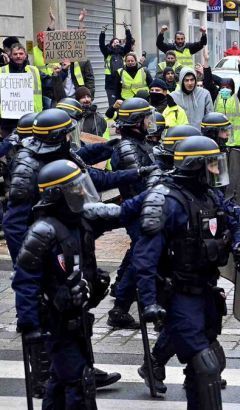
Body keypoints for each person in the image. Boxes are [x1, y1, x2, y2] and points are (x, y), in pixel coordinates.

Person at [5, 108, 146, 397]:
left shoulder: (63, 156)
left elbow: (91, 178)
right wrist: (31, 260)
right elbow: (14, 222)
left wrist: (124, 162)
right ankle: (46, 379)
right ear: (56, 136)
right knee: (47, 316)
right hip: (45, 249)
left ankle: (79, 367)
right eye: (68, 132)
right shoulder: (28, 166)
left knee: (75, 310)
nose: (73, 137)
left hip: (69, 244)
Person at [133, 136, 240, 407]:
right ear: (196, 166)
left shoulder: (209, 195)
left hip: (206, 291)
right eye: (213, 165)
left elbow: (233, 220)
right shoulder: (167, 201)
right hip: (178, 295)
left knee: (210, 365)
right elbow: (144, 258)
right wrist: (148, 302)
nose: (218, 171)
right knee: (204, 364)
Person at [12, 159, 131, 408]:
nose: (81, 193)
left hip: (77, 318)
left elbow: (121, 213)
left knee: (59, 381)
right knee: (79, 380)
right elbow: (25, 282)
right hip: (55, 321)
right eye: (75, 188)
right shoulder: (42, 231)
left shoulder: (79, 223)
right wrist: (29, 324)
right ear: (58, 195)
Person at [107, 97, 163, 329]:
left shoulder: (140, 143)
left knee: (137, 256)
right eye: (146, 118)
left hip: (144, 209)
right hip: (139, 211)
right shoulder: (128, 148)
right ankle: (119, 308)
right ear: (135, 122)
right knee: (142, 258)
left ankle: (122, 304)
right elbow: (140, 183)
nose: (150, 122)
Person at [0, 43, 64, 137]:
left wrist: (59, 74)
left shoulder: (34, 71)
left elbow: (50, 84)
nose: (18, 56)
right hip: (8, 122)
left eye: (21, 53)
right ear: (10, 56)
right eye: (15, 54)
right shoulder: (2, 71)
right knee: (10, 149)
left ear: (25, 55)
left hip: (31, 120)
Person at [212, 52, 240, 148]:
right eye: (223, 87)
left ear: (233, 88)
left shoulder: (239, 98)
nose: (225, 89)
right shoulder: (217, 98)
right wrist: (206, 69)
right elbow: (209, 83)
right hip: (220, 142)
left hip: (237, 144)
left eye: (228, 87)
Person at [100, 22, 134, 106]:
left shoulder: (122, 53)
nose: (116, 43)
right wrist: (103, 32)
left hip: (121, 83)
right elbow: (101, 44)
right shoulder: (107, 53)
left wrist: (127, 30)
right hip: (110, 84)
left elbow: (129, 43)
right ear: (111, 44)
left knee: (123, 104)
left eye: (118, 42)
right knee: (113, 105)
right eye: (114, 42)